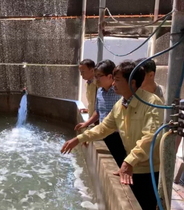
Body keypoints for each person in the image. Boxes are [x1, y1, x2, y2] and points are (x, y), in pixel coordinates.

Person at [61, 60, 164, 210]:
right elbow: (103, 128)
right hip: (132, 167)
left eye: (117, 80)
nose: (113, 84)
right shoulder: (120, 105)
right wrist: (79, 138)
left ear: (132, 83)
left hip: (149, 171)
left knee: (146, 204)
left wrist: (128, 161)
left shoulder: (152, 103)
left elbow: (150, 137)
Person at [74, 59, 125, 167]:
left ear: (110, 76)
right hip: (103, 133)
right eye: (96, 76)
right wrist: (86, 124)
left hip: (118, 136)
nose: (96, 79)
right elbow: (98, 111)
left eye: (99, 76)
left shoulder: (120, 93)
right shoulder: (100, 92)